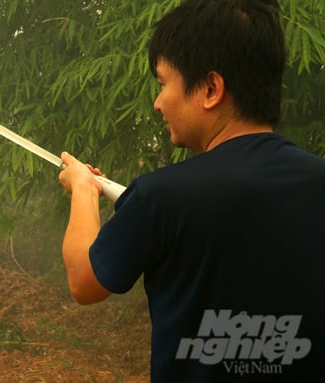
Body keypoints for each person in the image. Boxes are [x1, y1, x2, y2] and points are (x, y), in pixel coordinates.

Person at [58, 1, 325, 382]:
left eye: (164, 84)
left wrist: (83, 189)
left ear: (212, 88)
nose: (157, 102)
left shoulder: (160, 196)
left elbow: (84, 281)